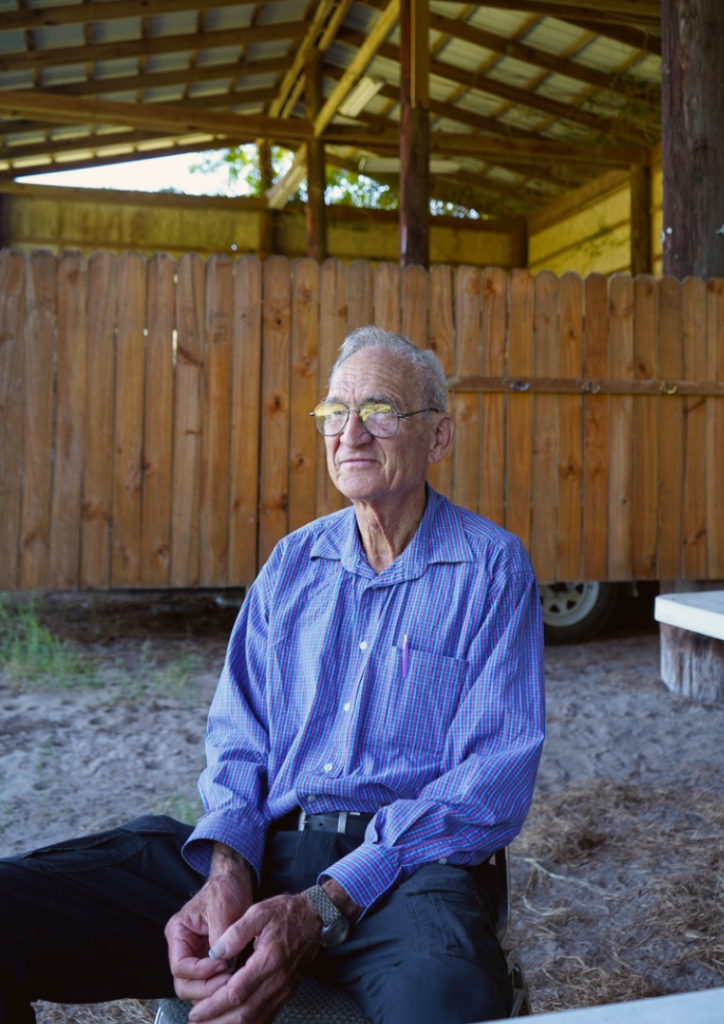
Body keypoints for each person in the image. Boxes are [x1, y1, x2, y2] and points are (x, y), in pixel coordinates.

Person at [0, 326, 544, 1024]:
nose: (350, 433)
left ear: (437, 436)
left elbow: (490, 782)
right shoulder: (292, 565)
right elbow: (239, 740)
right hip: (264, 846)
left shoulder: (492, 567)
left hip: (406, 875)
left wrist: (322, 905)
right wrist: (229, 868)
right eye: (333, 412)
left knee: (449, 1002)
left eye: (379, 410)